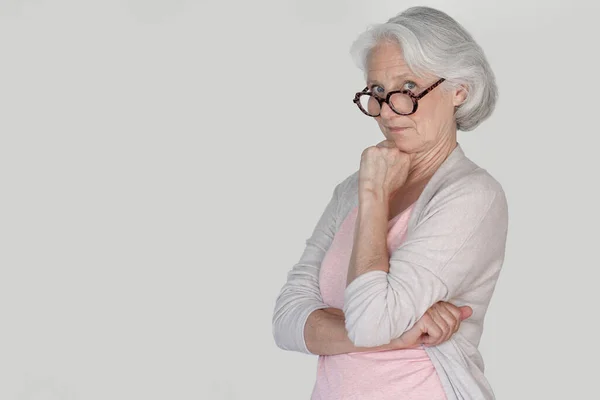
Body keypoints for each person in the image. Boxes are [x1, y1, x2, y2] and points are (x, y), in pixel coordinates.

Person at [272, 6, 508, 400]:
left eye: (409, 87)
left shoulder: (472, 195)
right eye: (377, 91)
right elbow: (285, 321)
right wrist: (399, 336)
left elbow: (369, 324)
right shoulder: (354, 187)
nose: (386, 110)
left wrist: (375, 197)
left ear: (460, 89)